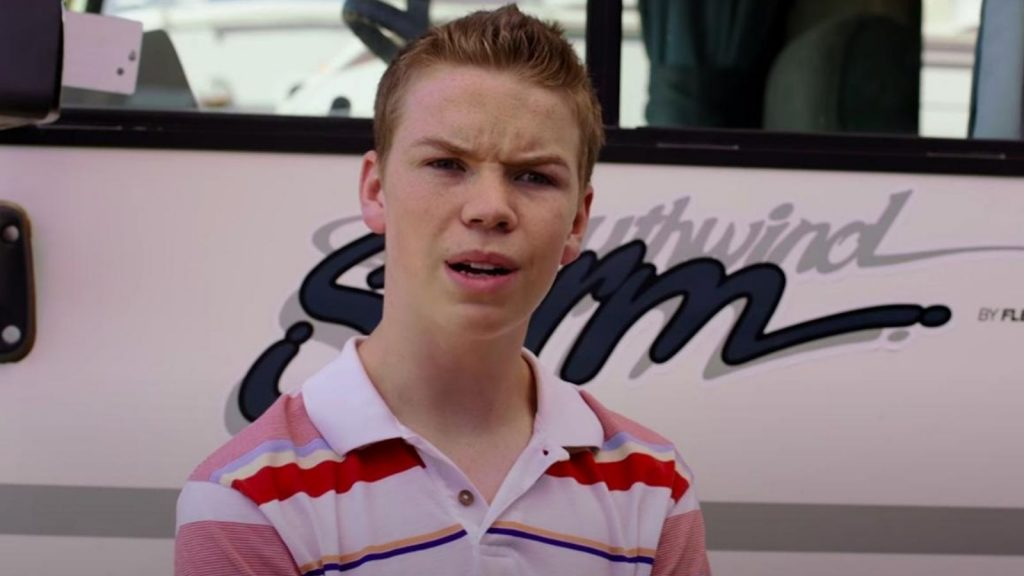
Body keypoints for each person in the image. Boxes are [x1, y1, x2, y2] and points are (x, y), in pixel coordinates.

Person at [175, 5, 710, 575]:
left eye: (534, 176)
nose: (489, 210)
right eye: (448, 164)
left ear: (577, 222)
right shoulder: (245, 499)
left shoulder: (654, 487)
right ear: (376, 190)